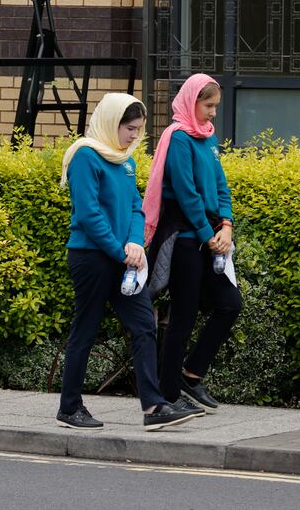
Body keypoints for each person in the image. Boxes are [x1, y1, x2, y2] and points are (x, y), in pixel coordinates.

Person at [58, 92, 199, 431]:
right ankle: (69, 407)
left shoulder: (125, 160)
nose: (135, 136)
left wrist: (135, 241)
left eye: (138, 129)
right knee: (85, 331)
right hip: (91, 258)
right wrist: (121, 250)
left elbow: (137, 207)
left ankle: (153, 407)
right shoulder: (85, 157)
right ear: (111, 123)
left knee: (143, 325)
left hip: (123, 258)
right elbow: (89, 215)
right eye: (129, 129)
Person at [142, 73, 242, 413]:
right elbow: (186, 194)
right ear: (191, 101)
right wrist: (207, 236)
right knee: (182, 317)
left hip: (211, 236)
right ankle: (169, 394)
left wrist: (226, 225)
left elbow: (220, 186)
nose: (213, 113)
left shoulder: (208, 138)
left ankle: (191, 373)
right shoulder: (179, 138)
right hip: (186, 239)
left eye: (216, 106)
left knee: (230, 303)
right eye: (208, 105)